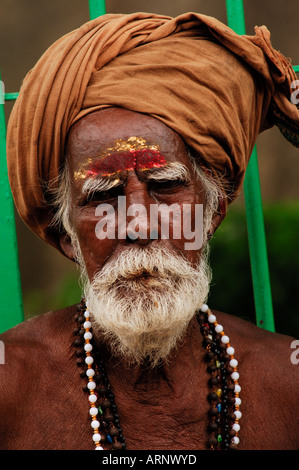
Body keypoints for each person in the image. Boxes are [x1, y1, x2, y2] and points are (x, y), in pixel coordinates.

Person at [0, 12, 298, 451]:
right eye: (103, 195)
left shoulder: (287, 379)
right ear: (67, 237)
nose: (140, 224)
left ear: (211, 213)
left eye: (164, 186)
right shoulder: (11, 385)